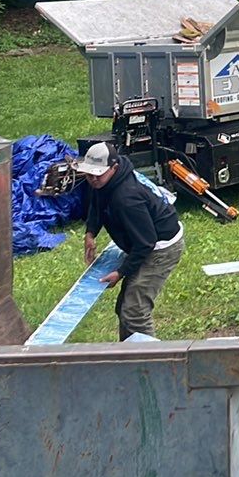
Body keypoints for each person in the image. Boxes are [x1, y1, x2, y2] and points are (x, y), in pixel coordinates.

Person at [77, 142, 184, 341]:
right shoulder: (104, 181)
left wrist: (120, 272)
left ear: (114, 168)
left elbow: (146, 243)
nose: (92, 179)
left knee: (134, 312)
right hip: (146, 242)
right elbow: (97, 203)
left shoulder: (127, 198)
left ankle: (151, 366)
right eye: (88, 174)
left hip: (161, 249)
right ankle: (128, 355)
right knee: (125, 308)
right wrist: (90, 233)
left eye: (97, 175)